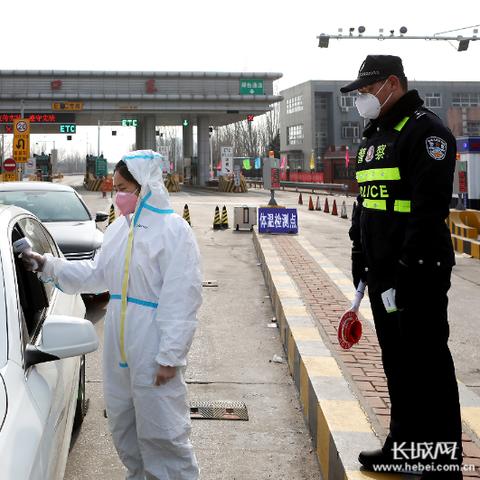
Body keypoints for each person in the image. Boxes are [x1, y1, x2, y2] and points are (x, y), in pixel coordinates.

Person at [23, 150, 202, 480]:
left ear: (144, 186)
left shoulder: (173, 231)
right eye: (115, 187)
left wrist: (169, 356)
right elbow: (95, 274)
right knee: (123, 422)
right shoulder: (120, 231)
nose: (117, 194)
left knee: (163, 430)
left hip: (152, 342)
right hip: (119, 344)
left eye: (122, 187)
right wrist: (47, 265)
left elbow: (182, 298)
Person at [342, 55, 463, 479]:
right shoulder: (375, 135)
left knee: (428, 363)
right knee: (396, 361)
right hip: (381, 272)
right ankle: (403, 447)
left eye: (366, 90)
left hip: (417, 272)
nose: (362, 99)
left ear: (392, 83)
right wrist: (361, 258)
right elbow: (366, 202)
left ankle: (442, 462)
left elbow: (427, 211)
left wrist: (407, 270)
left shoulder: (426, 132)